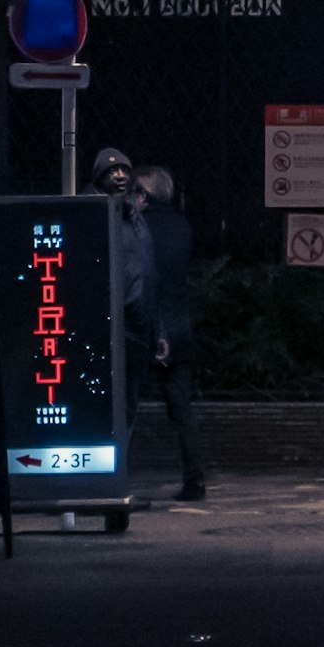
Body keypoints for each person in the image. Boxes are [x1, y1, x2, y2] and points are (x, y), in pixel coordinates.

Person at [125, 164, 209, 501]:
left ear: (142, 195)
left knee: (126, 405)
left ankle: (113, 479)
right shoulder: (181, 226)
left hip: (145, 325)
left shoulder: (138, 228)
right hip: (179, 325)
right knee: (180, 407)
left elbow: (145, 281)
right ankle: (195, 480)